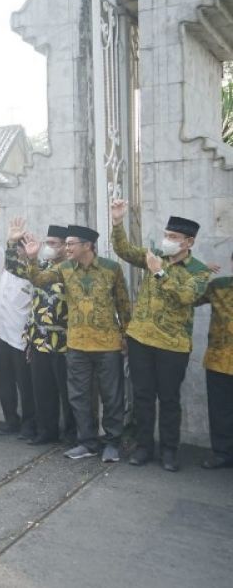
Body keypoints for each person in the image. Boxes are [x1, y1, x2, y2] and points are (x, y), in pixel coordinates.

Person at [111, 201, 211, 471]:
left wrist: (159, 272)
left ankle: (169, 450)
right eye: (166, 235)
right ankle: (144, 447)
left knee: (169, 399)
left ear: (188, 242)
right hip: (141, 340)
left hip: (173, 345)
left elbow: (187, 296)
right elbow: (123, 250)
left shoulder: (199, 271)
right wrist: (118, 223)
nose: (166, 241)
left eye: (173, 237)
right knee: (143, 396)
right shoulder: (154, 255)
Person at [22, 224, 130, 463]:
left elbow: (123, 303)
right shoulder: (65, 268)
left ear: (87, 246)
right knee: (79, 397)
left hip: (107, 344)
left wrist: (126, 335)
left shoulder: (112, 269)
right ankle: (87, 442)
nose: (67, 247)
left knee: (112, 396)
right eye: (66, 244)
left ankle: (113, 443)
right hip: (77, 345)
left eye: (71, 244)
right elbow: (39, 280)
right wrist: (31, 259)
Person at [5, 222, 76, 446]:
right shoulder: (41, 266)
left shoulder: (71, 268)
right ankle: (47, 431)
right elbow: (13, 267)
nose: (48, 247)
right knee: (43, 389)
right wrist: (12, 242)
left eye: (53, 244)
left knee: (69, 392)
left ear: (66, 246)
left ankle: (73, 434)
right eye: (47, 242)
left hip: (65, 340)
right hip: (39, 339)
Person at [0, 199, 36, 440]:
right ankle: (10, 420)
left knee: (25, 384)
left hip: (21, 336)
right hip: (0, 332)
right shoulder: (5, 268)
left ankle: (29, 424)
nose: (17, 252)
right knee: (3, 380)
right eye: (15, 248)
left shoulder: (35, 274)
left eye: (21, 247)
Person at [197, 251, 233, 469]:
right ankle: (222, 453)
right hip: (219, 359)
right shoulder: (218, 286)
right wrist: (199, 272)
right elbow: (189, 298)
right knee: (219, 410)